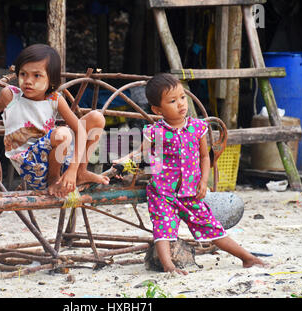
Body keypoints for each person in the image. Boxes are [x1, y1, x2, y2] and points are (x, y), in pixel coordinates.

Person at [114, 73, 266, 275]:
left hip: (191, 193)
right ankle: (169, 266)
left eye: (183, 98)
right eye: (173, 101)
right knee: (164, 229)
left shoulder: (197, 128)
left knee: (211, 227)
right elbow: (141, 153)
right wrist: (124, 162)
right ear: (157, 109)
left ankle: (247, 258)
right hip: (163, 193)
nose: (181, 104)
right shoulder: (155, 131)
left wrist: (204, 181)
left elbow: (205, 157)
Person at [0, 44, 109, 197]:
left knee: (96, 118)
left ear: (51, 81)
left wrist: (73, 170)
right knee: (63, 133)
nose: (28, 81)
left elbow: (80, 131)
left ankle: (81, 171)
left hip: (59, 159)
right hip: (31, 165)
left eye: (37, 75)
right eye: (23, 74)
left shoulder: (55, 99)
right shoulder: (11, 95)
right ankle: (53, 179)